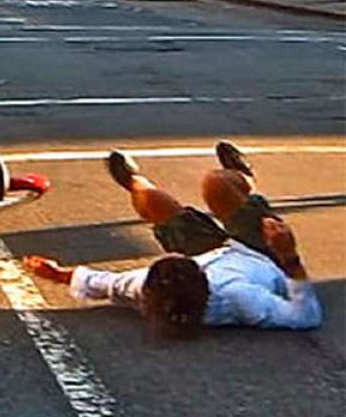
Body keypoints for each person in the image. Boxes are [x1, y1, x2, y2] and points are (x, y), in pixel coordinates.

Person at [24, 142, 322, 337]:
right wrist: (289, 256)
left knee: (151, 201)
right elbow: (306, 316)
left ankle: (133, 181)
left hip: (214, 253)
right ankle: (242, 177)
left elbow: (104, 282)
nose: (174, 254)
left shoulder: (147, 289)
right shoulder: (242, 297)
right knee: (216, 184)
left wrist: (59, 274)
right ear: (204, 281)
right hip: (260, 254)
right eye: (181, 261)